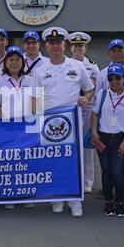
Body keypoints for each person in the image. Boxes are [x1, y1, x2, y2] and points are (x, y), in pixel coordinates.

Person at [32, 27, 94, 217]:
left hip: (73, 122)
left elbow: (89, 89)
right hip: (49, 123)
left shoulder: (77, 66)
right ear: (46, 46)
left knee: (73, 161)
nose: (55, 46)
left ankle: (75, 201)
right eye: (52, 43)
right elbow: (34, 98)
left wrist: (85, 99)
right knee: (53, 160)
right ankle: (56, 198)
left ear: (64, 45)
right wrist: (36, 116)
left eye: (59, 42)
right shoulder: (40, 70)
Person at [0, 46, 35, 210]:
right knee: (9, 162)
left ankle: (26, 194)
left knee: (26, 162)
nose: (14, 63)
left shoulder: (30, 80)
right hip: (7, 128)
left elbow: (36, 103)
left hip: (27, 128)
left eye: (17, 60)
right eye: (11, 60)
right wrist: (6, 124)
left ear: (22, 62)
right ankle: (9, 194)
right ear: (6, 62)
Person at [91, 64, 124, 217]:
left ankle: (119, 202)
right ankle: (108, 202)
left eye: (118, 78)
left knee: (118, 172)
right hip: (103, 137)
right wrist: (94, 132)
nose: (115, 81)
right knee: (106, 171)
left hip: (120, 139)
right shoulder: (103, 94)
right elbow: (94, 114)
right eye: (111, 79)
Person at [68, 32, 100, 194]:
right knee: (70, 146)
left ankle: (88, 181)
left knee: (87, 147)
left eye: (81, 46)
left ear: (86, 47)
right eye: (75, 45)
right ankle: (73, 178)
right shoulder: (65, 66)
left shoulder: (93, 68)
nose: (78, 49)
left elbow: (98, 91)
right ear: (70, 47)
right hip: (69, 111)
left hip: (87, 110)